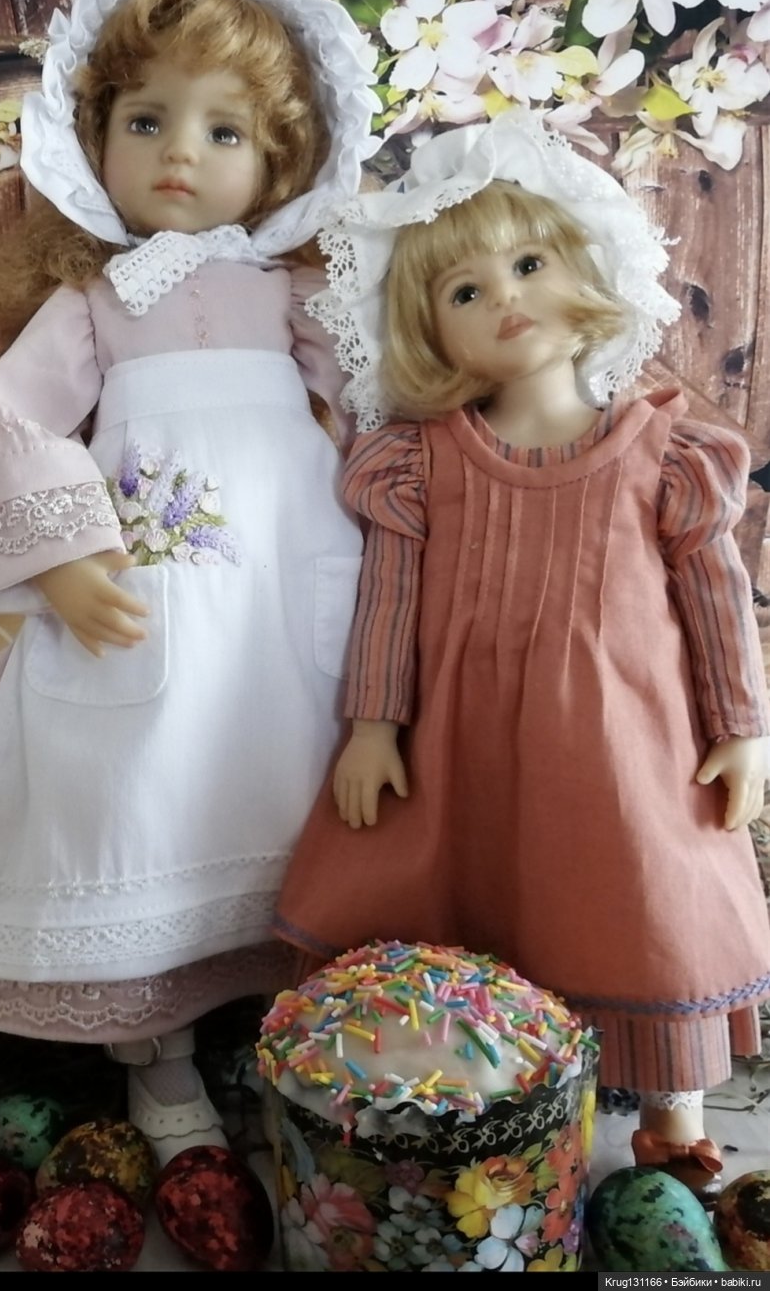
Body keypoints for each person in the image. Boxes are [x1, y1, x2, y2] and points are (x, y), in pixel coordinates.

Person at [0, 0, 377, 1163]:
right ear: (96, 137)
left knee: (289, 782)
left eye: (225, 132)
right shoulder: (95, 299)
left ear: (278, 162)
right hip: (149, 599)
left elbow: (372, 411)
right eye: (149, 120)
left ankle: (299, 1036)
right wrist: (67, 559)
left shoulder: (293, 298)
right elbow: (25, 417)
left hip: (290, 606)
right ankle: (156, 1050)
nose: (181, 152)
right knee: (144, 794)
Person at [274, 111, 770, 1202]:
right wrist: (372, 726)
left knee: (639, 902)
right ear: (429, 333)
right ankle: (492, 1110)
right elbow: (388, 603)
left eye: (529, 263)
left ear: (584, 265)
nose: (505, 297)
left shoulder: (665, 454)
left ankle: (672, 1117)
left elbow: (715, 595)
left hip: (625, 748)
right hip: (464, 749)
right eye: (465, 291)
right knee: (470, 901)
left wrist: (742, 728)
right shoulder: (417, 464)